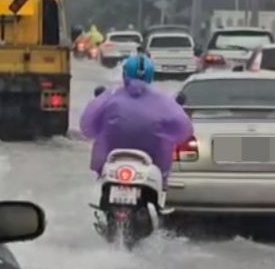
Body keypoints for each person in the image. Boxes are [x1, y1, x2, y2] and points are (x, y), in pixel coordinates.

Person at [80, 54, 193, 182]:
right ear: (151, 76)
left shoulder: (110, 97)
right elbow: (184, 130)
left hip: (109, 163)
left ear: (124, 74)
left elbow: (87, 126)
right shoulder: (164, 101)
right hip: (155, 165)